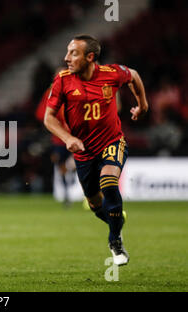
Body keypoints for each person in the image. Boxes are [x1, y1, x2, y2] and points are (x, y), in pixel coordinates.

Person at [44, 35, 148, 266]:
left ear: (90, 57)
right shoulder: (62, 81)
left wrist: (142, 105)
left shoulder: (111, 74)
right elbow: (48, 118)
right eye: (68, 52)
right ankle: (116, 220)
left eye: (73, 53)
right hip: (83, 152)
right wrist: (67, 137)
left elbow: (134, 75)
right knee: (95, 204)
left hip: (112, 142)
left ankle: (115, 241)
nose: (66, 58)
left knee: (109, 182)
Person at [35, 67, 76, 207]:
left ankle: (74, 172)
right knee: (61, 164)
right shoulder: (50, 93)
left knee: (79, 160)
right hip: (59, 137)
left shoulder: (76, 92)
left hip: (76, 135)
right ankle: (67, 194)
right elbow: (41, 114)